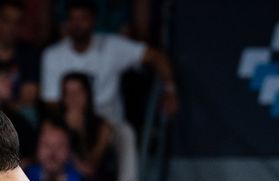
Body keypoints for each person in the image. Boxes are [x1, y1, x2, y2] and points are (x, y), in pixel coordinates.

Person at [39, 0, 178, 124]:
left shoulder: (112, 46)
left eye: (83, 18)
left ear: (93, 21)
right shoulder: (52, 55)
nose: (77, 24)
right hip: (71, 118)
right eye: (73, 19)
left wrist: (170, 90)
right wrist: (65, 122)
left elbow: (156, 56)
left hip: (109, 117)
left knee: (126, 136)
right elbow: (51, 102)